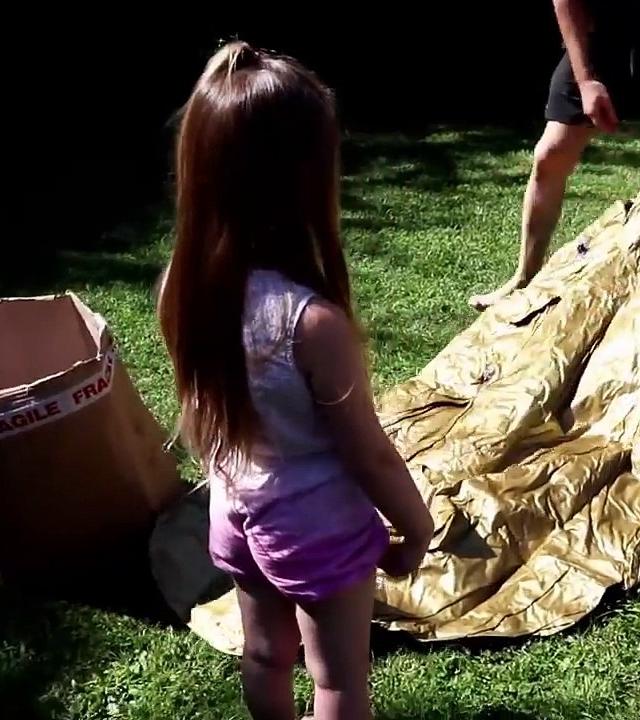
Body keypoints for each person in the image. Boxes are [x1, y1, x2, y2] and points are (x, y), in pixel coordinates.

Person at [157, 41, 434, 720]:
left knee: (263, 655)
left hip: (235, 512)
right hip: (317, 529)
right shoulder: (310, 324)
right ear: (305, 179)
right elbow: (367, 453)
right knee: (337, 683)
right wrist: (417, 526)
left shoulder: (181, 291)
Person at [469, 0, 640, 311]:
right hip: (604, 32)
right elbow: (566, 3)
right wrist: (586, 81)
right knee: (550, 154)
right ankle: (524, 280)